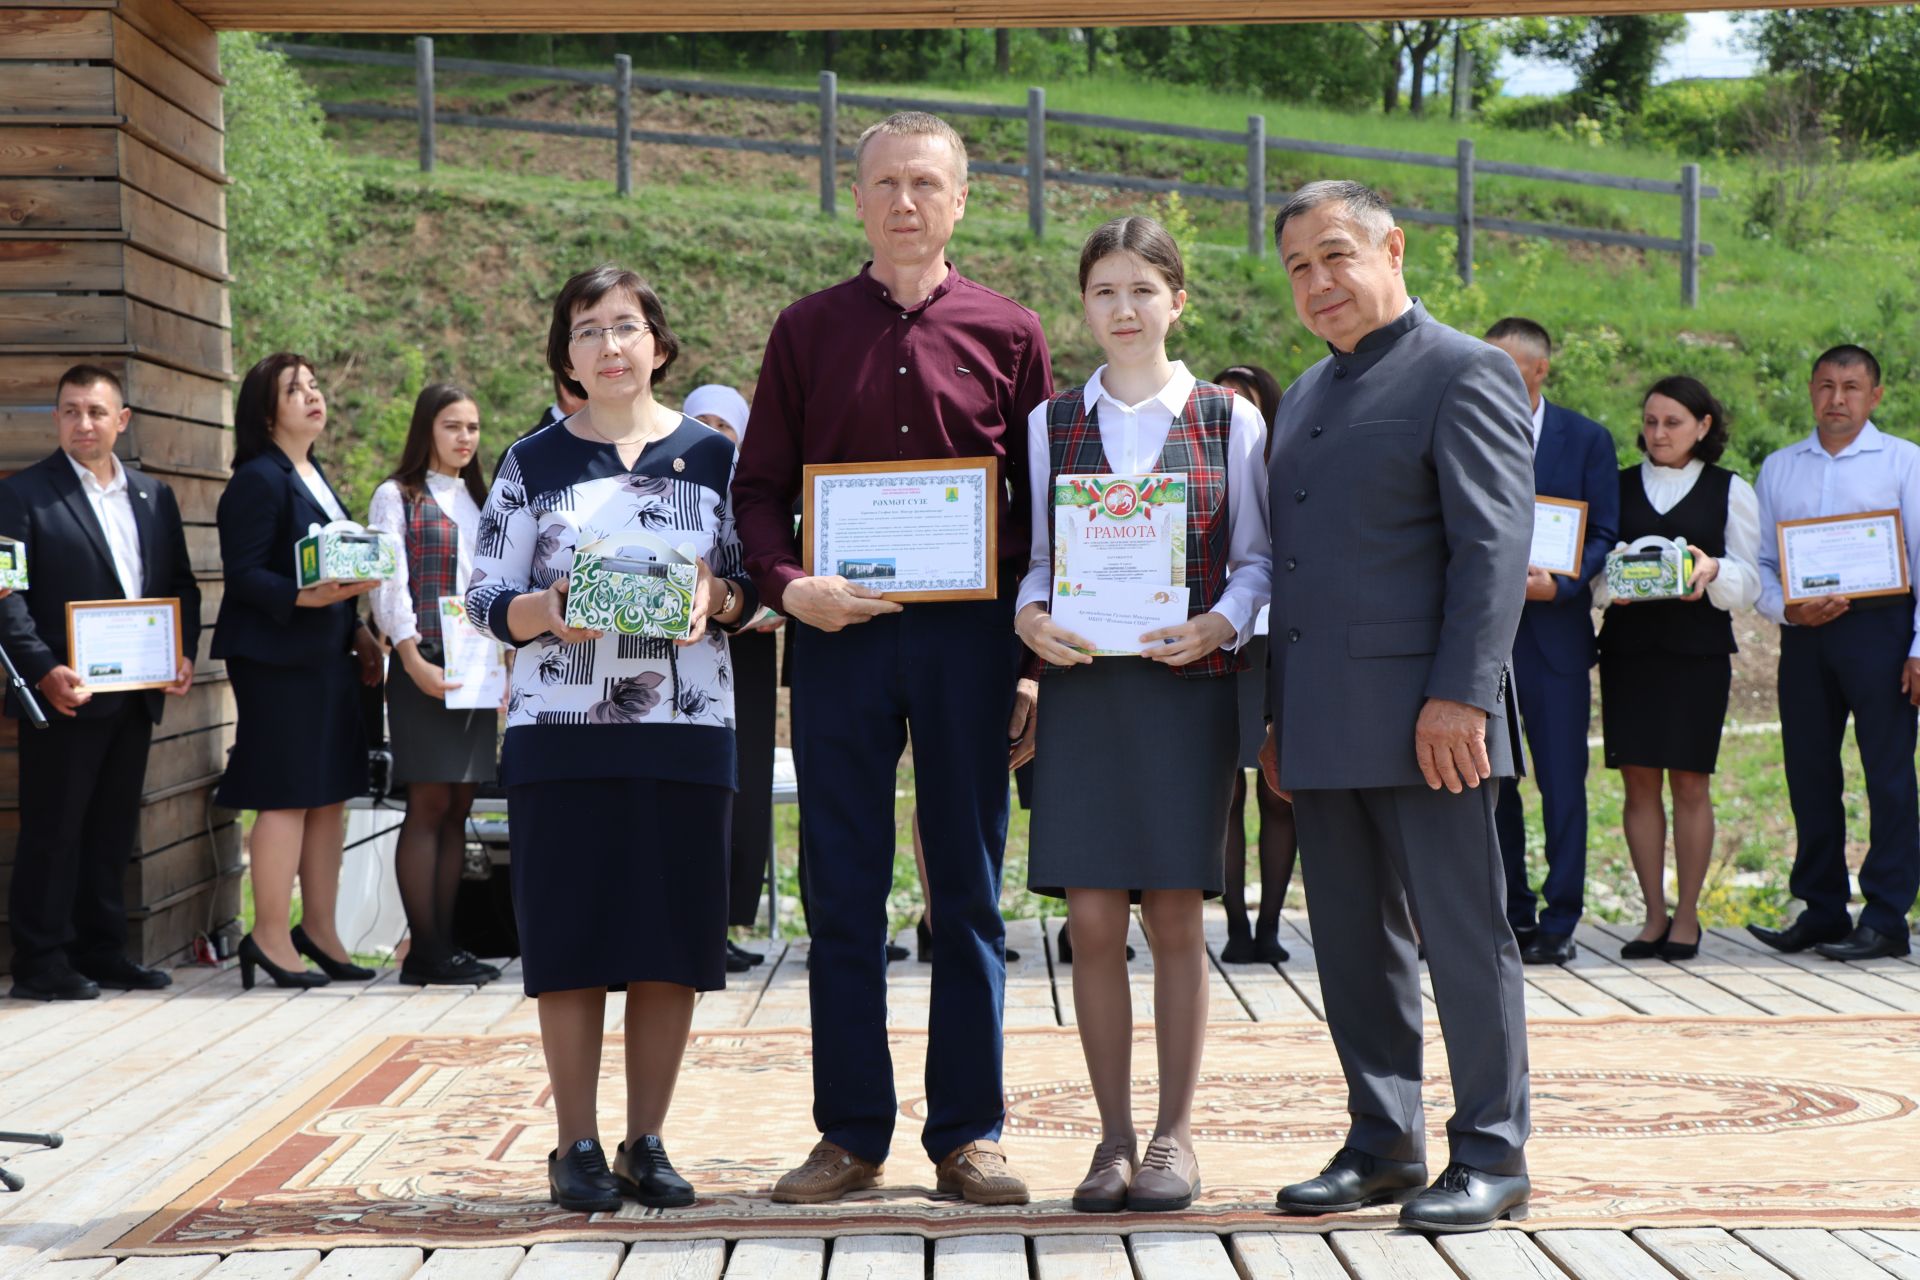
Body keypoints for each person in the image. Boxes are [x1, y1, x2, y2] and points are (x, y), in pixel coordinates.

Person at [733, 111, 1052, 1207]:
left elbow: (1039, 510)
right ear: (856, 199)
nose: (905, 201)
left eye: (926, 181)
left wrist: (1028, 662)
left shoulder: (1011, 333)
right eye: (885, 183)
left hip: (971, 645)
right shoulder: (806, 330)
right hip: (838, 644)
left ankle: (969, 1134)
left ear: (961, 198)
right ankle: (850, 1134)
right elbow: (759, 492)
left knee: (965, 890)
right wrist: (788, 586)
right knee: (844, 893)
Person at [1262, 181, 1534, 1231]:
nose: (1319, 283)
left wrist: (1461, 696)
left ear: (1393, 247)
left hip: (1434, 720)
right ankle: (1382, 1139)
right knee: (1351, 940)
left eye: (1335, 256)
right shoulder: (1307, 390)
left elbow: (1491, 549)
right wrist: (1280, 717)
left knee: (1463, 935)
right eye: (1298, 268)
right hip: (1324, 721)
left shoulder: (1465, 369)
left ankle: (1493, 1150)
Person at [466, 264, 757, 1212]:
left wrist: (715, 600)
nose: (609, 344)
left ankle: (646, 1141)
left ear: (658, 346)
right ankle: (575, 1145)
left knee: (672, 939)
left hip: (687, 724)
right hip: (559, 731)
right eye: (587, 330)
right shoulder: (530, 462)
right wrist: (546, 610)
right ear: (568, 357)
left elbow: (760, 590)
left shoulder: (715, 460)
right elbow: (481, 596)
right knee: (574, 936)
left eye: (625, 326)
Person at [1017, 216, 1271, 1213]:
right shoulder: (1049, 423)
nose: (1123, 310)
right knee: (1088, 918)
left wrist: (1221, 621)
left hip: (1185, 687)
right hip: (1085, 686)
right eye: (1104, 293)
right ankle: (1112, 1138)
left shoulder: (1227, 419)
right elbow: (1038, 555)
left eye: (1142, 290)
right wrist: (1030, 614)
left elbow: (1256, 557)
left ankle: (1174, 1135)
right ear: (1083, 305)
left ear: (1179, 301)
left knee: (1172, 912)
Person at [0, 366, 201, 1000]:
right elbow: (6, 595)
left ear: (122, 420)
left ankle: (103, 950)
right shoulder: (22, 496)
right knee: (54, 829)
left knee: (113, 827)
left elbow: (181, 587)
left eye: (94, 411)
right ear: (56, 419)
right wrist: (41, 668)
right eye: (68, 411)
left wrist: (181, 651)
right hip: (64, 693)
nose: (82, 423)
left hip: (136, 692)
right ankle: (40, 961)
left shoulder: (153, 496)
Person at [214, 353, 384, 991]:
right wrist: (302, 598)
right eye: (295, 390)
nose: (313, 396)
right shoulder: (258, 479)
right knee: (286, 795)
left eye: (314, 387)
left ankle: (320, 931)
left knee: (328, 796)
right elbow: (245, 573)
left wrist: (360, 629)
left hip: (325, 655)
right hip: (276, 659)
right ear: (265, 411)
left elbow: (334, 564)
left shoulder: (312, 474)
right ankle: (268, 937)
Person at [1750, 345, 1919, 961]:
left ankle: (1886, 914)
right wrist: (1784, 609)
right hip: (1805, 636)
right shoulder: (1780, 467)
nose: (1837, 399)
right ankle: (1822, 908)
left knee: (1889, 774)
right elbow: (1765, 565)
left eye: (1852, 387)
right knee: (1809, 772)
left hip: (1883, 632)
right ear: (1811, 390)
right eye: (1825, 385)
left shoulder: (1905, 463)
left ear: (1875, 396)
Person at [1593, 376, 1759, 962]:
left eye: (1673, 422)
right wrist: (1615, 583)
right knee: (1637, 781)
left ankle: (1687, 916)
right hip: (1629, 651)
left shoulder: (1730, 490)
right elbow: (1591, 576)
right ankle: (1652, 915)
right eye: (1651, 421)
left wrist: (1713, 572)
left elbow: (1751, 582)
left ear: (1703, 426)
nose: (1658, 433)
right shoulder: (1614, 487)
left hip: (1698, 652)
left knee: (1691, 781)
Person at [1481, 318, 1621, 967]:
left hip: (1555, 640)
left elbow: (1602, 535)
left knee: (1563, 784)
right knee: (1491, 784)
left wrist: (1561, 587)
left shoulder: (1586, 439)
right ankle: (1510, 911)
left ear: (1540, 370)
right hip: (1481, 639)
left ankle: (1562, 919)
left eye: (1508, 367)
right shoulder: (1465, 428)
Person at [365, 383, 502, 987]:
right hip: (425, 656)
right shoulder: (396, 495)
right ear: (427, 429)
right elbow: (387, 582)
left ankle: (444, 947)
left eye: (472, 427)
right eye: (452, 426)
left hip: (477, 662)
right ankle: (423, 951)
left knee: (459, 805)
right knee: (426, 804)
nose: (465, 438)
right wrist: (409, 658)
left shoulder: (483, 499)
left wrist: (502, 667)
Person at [684, 382, 776, 973]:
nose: (715, 435)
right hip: (684, 653)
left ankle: (719, 919)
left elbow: (776, 564)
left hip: (747, 653)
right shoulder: (668, 488)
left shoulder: (754, 493)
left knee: (743, 790)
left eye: (727, 425)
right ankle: (692, 923)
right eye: (703, 422)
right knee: (694, 789)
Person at [1212, 362, 1296, 965]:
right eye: (1226, 397)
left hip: (1279, 643)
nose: (1236, 406)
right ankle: (1235, 926)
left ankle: (1270, 926)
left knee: (1277, 791)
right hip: (1223, 640)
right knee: (1226, 795)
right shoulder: (1192, 462)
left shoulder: (1289, 465)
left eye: (1248, 399)